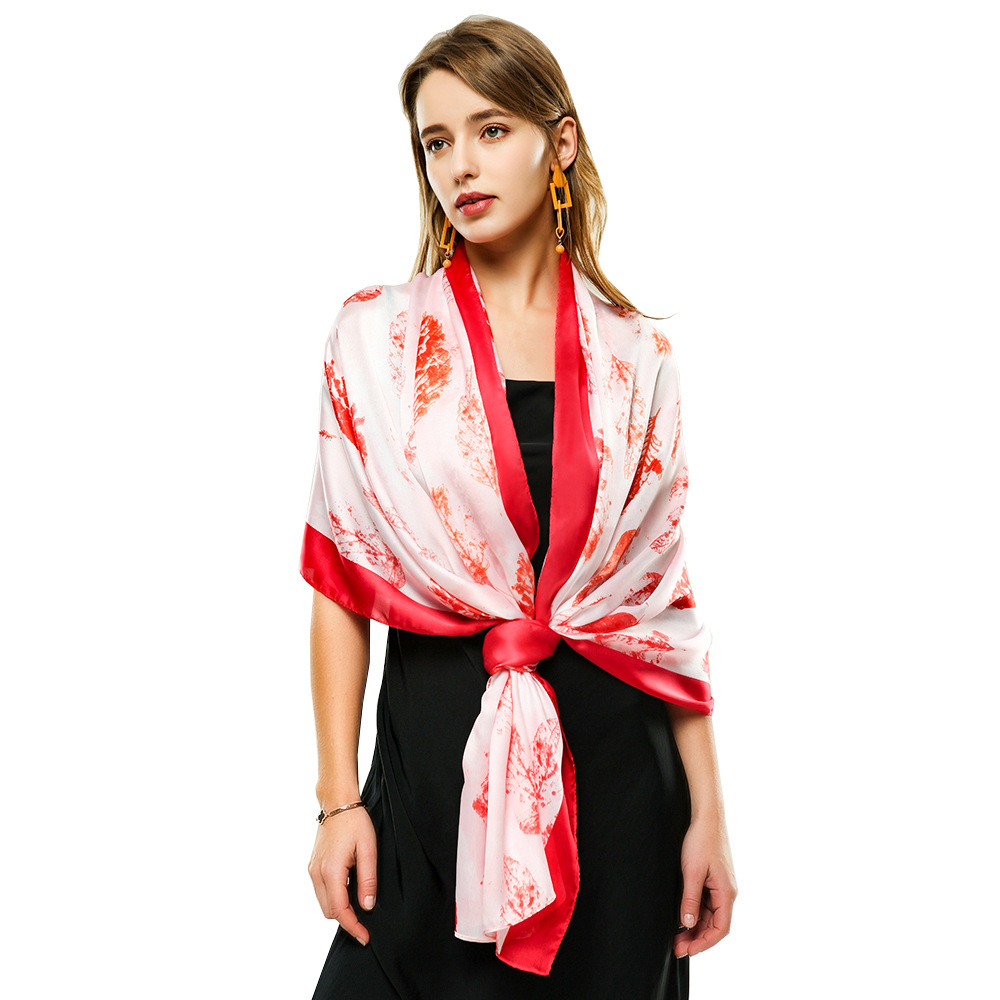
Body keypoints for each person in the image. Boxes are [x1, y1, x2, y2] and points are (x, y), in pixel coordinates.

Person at [300, 16, 736, 1000]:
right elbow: (339, 577)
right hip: (427, 778)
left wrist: (708, 813)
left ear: (560, 142)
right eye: (436, 140)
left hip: (619, 788)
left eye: (490, 129)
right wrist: (336, 802)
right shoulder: (377, 341)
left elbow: (659, 611)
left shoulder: (638, 358)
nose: (460, 163)